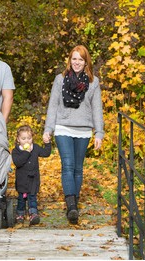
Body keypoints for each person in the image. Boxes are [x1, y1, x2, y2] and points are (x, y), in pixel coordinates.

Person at [43, 45, 104, 224]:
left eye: (80, 59)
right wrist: (48, 129)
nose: (77, 62)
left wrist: (99, 133)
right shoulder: (59, 80)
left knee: (78, 168)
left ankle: (74, 205)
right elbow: (53, 105)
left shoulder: (93, 83)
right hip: (63, 127)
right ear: (69, 60)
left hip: (84, 130)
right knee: (67, 165)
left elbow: (97, 109)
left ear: (86, 62)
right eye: (74, 59)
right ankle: (71, 206)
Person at [12, 125, 52, 225]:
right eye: (23, 138)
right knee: (21, 199)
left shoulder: (35, 148)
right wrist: (26, 152)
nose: (27, 141)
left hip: (33, 178)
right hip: (22, 180)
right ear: (18, 139)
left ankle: (33, 214)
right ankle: (20, 214)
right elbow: (18, 162)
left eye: (29, 138)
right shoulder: (16, 151)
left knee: (32, 197)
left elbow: (46, 153)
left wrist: (47, 144)